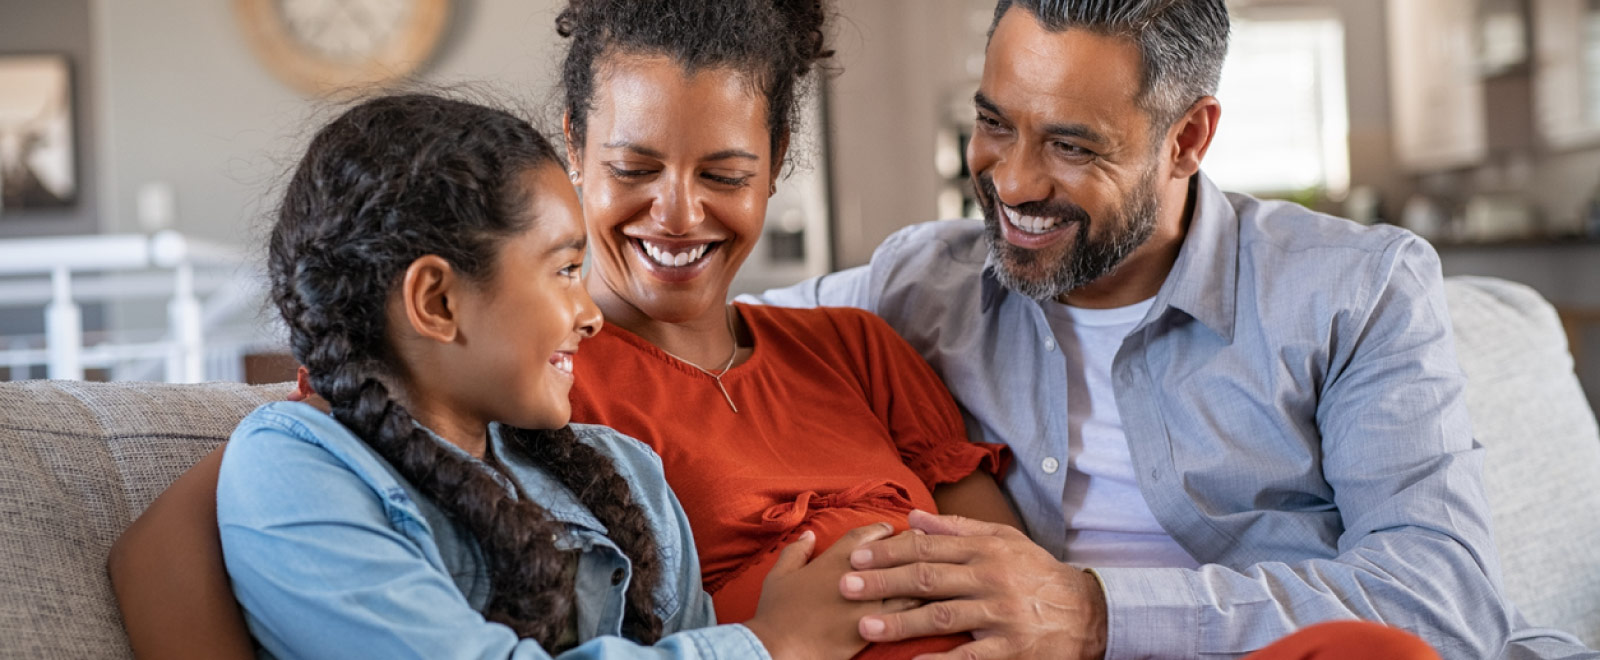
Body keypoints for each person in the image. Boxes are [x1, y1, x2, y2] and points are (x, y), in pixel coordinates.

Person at [109, 2, 1019, 658]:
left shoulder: (854, 350)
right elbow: (172, 553)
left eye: (726, 173)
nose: (677, 213)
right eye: (633, 165)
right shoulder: (497, 371)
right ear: (573, 145)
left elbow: (1020, 580)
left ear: (777, 163)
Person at [753, 1, 1592, 659]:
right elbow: (707, 336)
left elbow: (1440, 603)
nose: (1011, 180)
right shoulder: (922, 283)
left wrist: (1095, 613)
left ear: (1187, 138)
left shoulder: (1357, 290)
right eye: (995, 123)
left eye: (1072, 147)